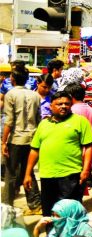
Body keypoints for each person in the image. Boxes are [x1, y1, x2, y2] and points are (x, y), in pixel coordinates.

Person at [24, 92, 92, 217]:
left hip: (71, 175)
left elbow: (88, 147)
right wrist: (27, 174)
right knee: (48, 214)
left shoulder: (80, 121)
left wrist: (85, 170)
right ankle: (52, 236)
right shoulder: (43, 124)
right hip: (47, 176)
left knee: (69, 214)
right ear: (51, 106)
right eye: (59, 104)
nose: (63, 106)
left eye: (67, 104)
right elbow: (35, 149)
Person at [2, 69, 42, 214]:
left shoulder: (10, 94)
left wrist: (3, 142)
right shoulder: (35, 95)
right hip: (32, 138)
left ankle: (6, 206)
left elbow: (9, 121)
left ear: (12, 79)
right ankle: (35, 204)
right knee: (28, 171)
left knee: (11, 174)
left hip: (16, 139)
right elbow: (39, 120)